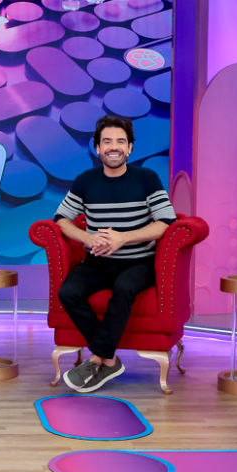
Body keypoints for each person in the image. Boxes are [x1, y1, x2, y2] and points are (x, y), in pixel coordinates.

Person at [55, 115, 177, 393]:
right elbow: (61, 219)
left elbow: (166, 222)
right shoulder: (85, 180)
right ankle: (109, 360)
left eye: (121, 141)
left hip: (138, 262)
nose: (114, 147)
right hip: (98, 261)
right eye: (107, 141)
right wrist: (87, 237)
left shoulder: (147, 178)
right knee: (68, 292)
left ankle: (96, 359)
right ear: (97, 147)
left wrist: (123, 238)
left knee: (124, 288)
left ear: (130, 148)